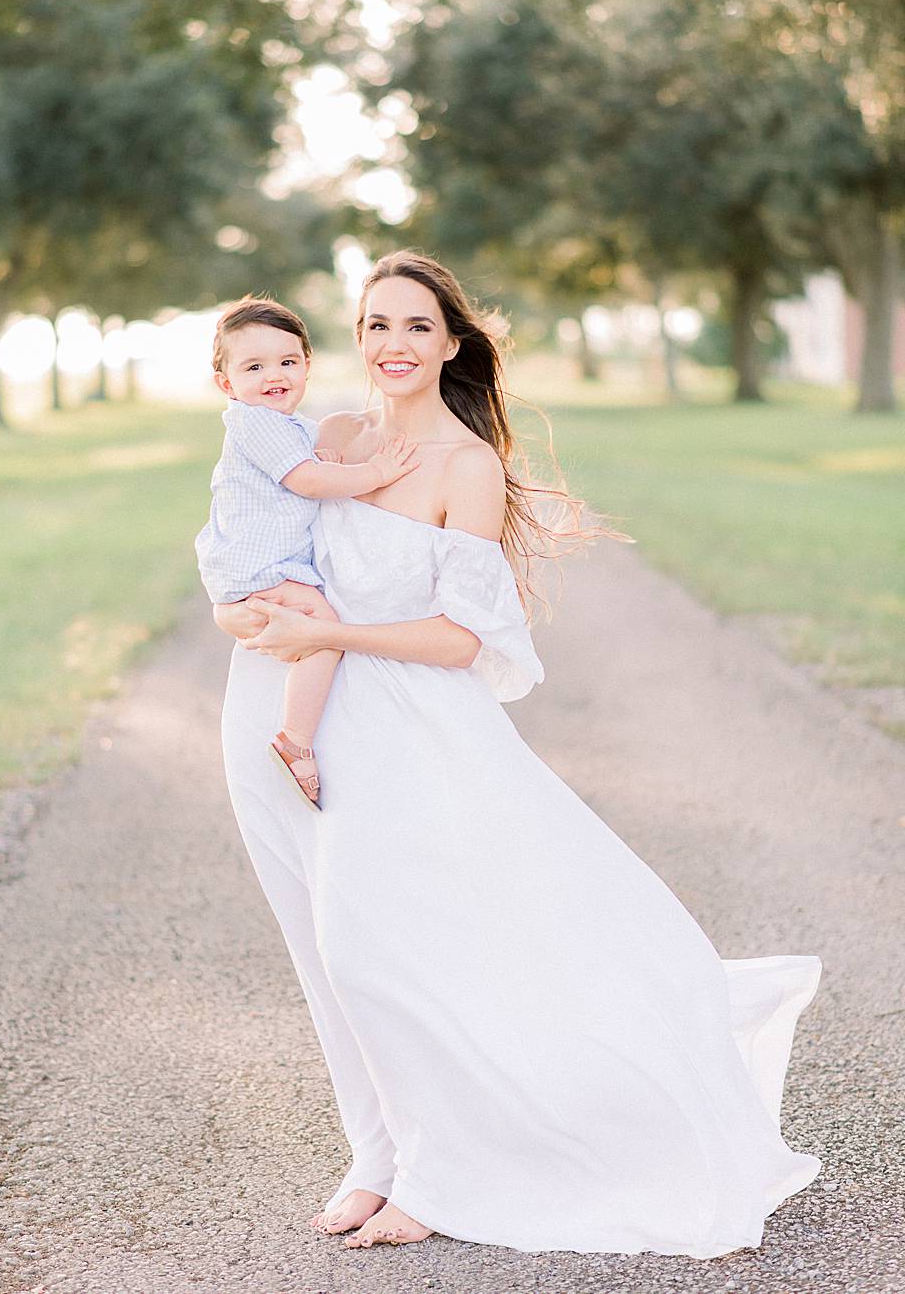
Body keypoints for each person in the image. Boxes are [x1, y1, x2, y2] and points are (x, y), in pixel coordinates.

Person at [212, 250, 819, 1256]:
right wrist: (236, 607)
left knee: (378, 953)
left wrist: (332, 637)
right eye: (373, 324)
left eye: (414, 326)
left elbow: (462, 639)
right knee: (319, 953)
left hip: (406, 727)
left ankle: (440, 1173)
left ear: (451, 342)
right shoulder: (328, 436)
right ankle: (375, 1153)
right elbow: (246, 530)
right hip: (278, 711)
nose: (391, 345)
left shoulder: (465, 467)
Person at [194, 296, 419, 805]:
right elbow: (308, 481)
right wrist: (373, 473)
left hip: (254, 570)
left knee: (307, 631)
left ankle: (281, 690)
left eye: (288, 362)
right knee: (324, 633)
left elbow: (303, 466)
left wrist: (322, 458)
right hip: (261, 569)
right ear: (226, 383)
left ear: (306, 367)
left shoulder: (282, 425)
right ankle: (295, 741)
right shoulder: (255, 421)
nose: (275, 375)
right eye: (254, 367)